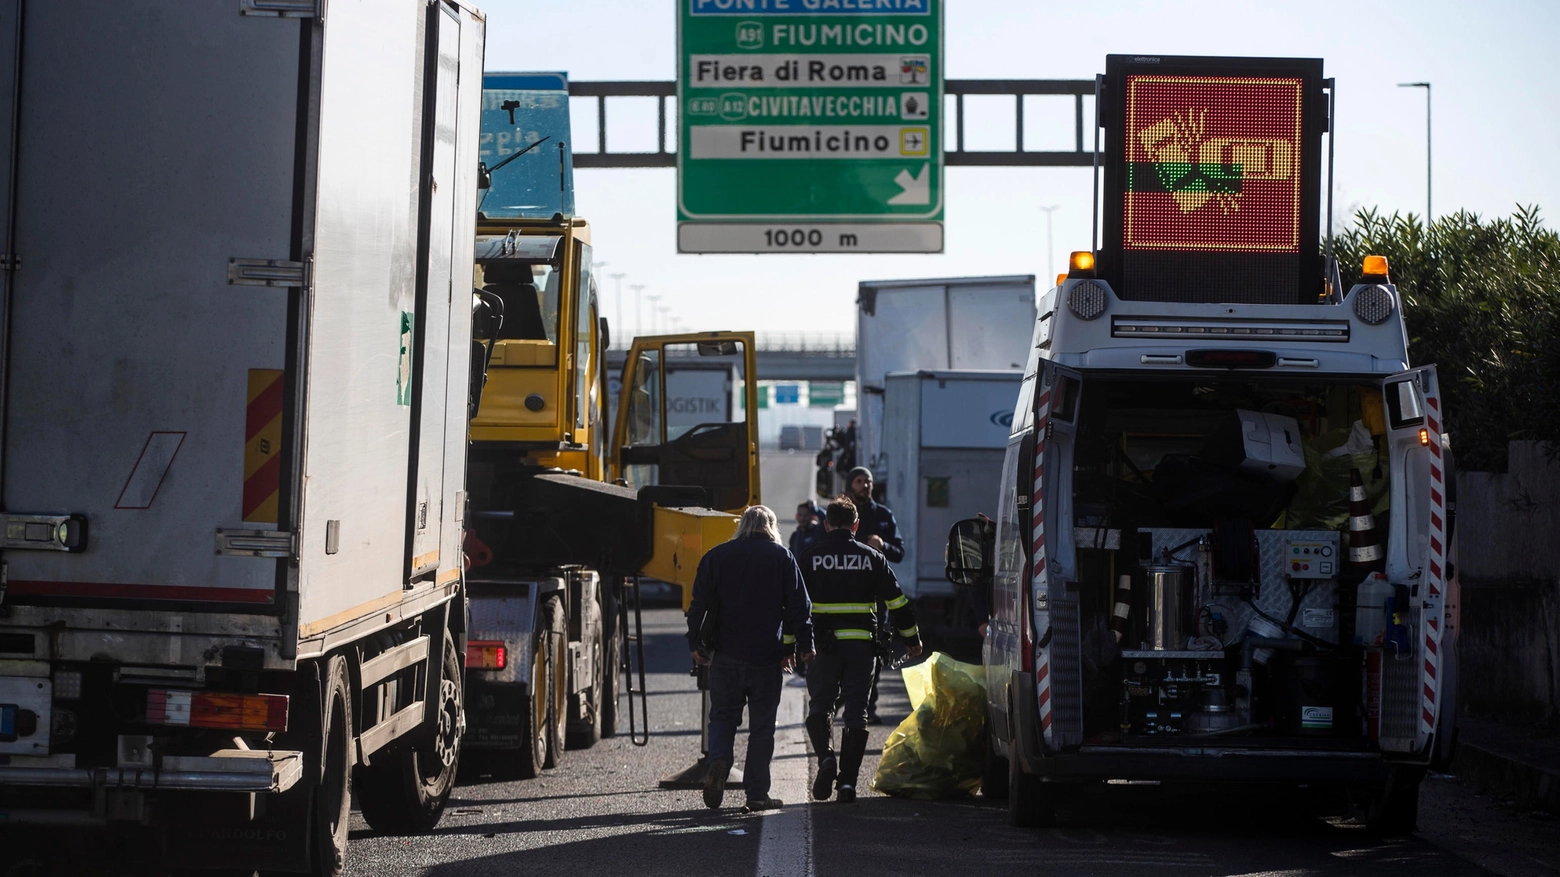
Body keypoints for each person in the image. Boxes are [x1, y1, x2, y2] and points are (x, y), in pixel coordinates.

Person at [686, 505, 814, 812]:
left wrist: (695, 644)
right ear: (771, 526)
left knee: (723, 717)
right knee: (761, 728)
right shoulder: (781, 557)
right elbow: (799, 606)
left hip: (725, 654)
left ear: (742, 525)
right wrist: (803, 646)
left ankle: (718, 762)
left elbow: (698, 604)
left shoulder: (717, 556)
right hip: (766, 657)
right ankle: (756, 794)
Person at [798, 497, 921, 803]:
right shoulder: (873, 558)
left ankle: (826, 758)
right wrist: (912, 639)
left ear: (826, 525)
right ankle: (847, 784)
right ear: (856, 525)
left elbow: (796, 606)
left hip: (824, 647)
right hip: (862, 648)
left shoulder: (809, 556)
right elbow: (897, 602)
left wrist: (796, 645)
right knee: (857, 711)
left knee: (820, 705)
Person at [845, 466, 904, 723]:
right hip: (845, 594)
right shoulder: (841, 513)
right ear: (851, 485)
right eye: (859, 481)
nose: (864, 485)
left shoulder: (883, 515)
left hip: (876, 596)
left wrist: (883, 545)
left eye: (867, 481)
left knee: (875, 651)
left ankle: (869, 705)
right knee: (844, 652)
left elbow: (900, 552)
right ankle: (844, 701)